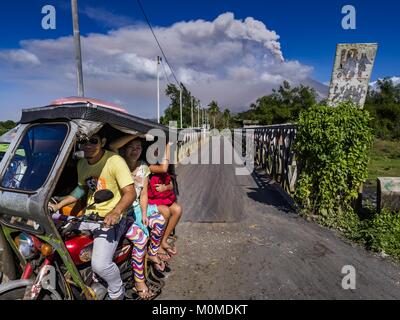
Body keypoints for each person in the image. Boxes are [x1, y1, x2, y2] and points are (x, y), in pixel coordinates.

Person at [48, 129, 136, 300]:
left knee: (101, 265)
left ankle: (117, 293)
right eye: (84, 142)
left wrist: (116, 211)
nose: (88, 146)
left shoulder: (114, 161)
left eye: (93, 141)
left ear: (102, 142)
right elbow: (81, 188)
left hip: (110, 219)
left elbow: (130, 192)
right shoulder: (82, 163)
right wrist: (58, 205)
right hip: (89, 216)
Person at [110, 135, 167, 299]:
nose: (136, 150)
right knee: (140, 239)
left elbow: (143, 194)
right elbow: (113, 145)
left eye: (139, 147)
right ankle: (139, 282)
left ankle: (153, 252)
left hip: (137, 207)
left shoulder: (143, 166)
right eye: (131, 147)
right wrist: (136, 133)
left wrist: (143, 214)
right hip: (122, 209)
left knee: (159, 220)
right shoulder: (117, 161)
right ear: (124, 149)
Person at [148, 142, 183, 261]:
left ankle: (163, 240)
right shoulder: (148, 165)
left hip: (162, 197)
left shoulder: (162, 164)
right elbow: (163, 169)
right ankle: (156, 245)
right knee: (167, 211)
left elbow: (171, 184)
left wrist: (166, 187)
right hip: (151, 199)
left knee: (177, 209)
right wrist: (168, 146)